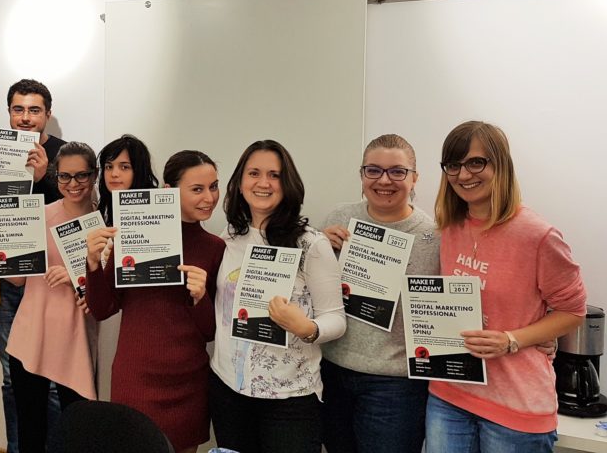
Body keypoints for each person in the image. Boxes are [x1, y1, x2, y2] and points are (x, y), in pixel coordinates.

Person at [425, 121, 586, 453]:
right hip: (449, 396)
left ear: (500, 164)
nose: (463, 175)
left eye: (476, 162)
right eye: (453, 165)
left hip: (516, 407)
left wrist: (512, 339)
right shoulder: (449, 228)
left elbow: (573, 312)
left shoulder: (538, 235)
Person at [209, 140, 347, 453]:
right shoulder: (229, 237)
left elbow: (336, 319)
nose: (264, 183)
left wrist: (307, 328)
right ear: (240, 182)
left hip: (290, 399)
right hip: (228, 390)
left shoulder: (311, 244)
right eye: (254, 173)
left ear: (288, 184)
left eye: (274, 175)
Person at [84, 149, 225, 453]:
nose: (209, 198)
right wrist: (93, 264)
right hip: (136, 376)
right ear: (168, 191)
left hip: (188, 381)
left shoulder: (215, 248)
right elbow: (102, 308)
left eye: (213, 186)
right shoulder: (134, 234)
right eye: (197, 189)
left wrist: (201, 298)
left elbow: (210, 332)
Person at [0, 142, 99, 453]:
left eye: (81, 175)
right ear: (56, 177)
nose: (73, 184)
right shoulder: (37, 216)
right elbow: (19, 279)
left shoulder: (105, 223)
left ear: (94, 175)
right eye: (64, 176)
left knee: (78, 429)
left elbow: (111, 287)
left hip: (77, 338)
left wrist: (77, 276)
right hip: (32, 335)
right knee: (30, 428)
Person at [318, 134, 439, 453]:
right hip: (332, 371)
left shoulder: (434, 237)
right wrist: (317, 247)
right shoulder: (338, 219)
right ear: (361, 175)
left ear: (415, 178)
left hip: (395, 386)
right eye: (373, 170)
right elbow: (310, 291)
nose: (384, 180)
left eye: (397, 171)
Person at [0, 79, 66, 453]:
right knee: (12, 378)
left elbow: (78, 210)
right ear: (9, 112)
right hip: (11, 280)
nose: (25, 117)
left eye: (34, 110)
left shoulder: (65, 154)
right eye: (18, 109)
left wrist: (44, 178)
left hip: (52, 283)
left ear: (47, 114)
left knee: (52, 379)